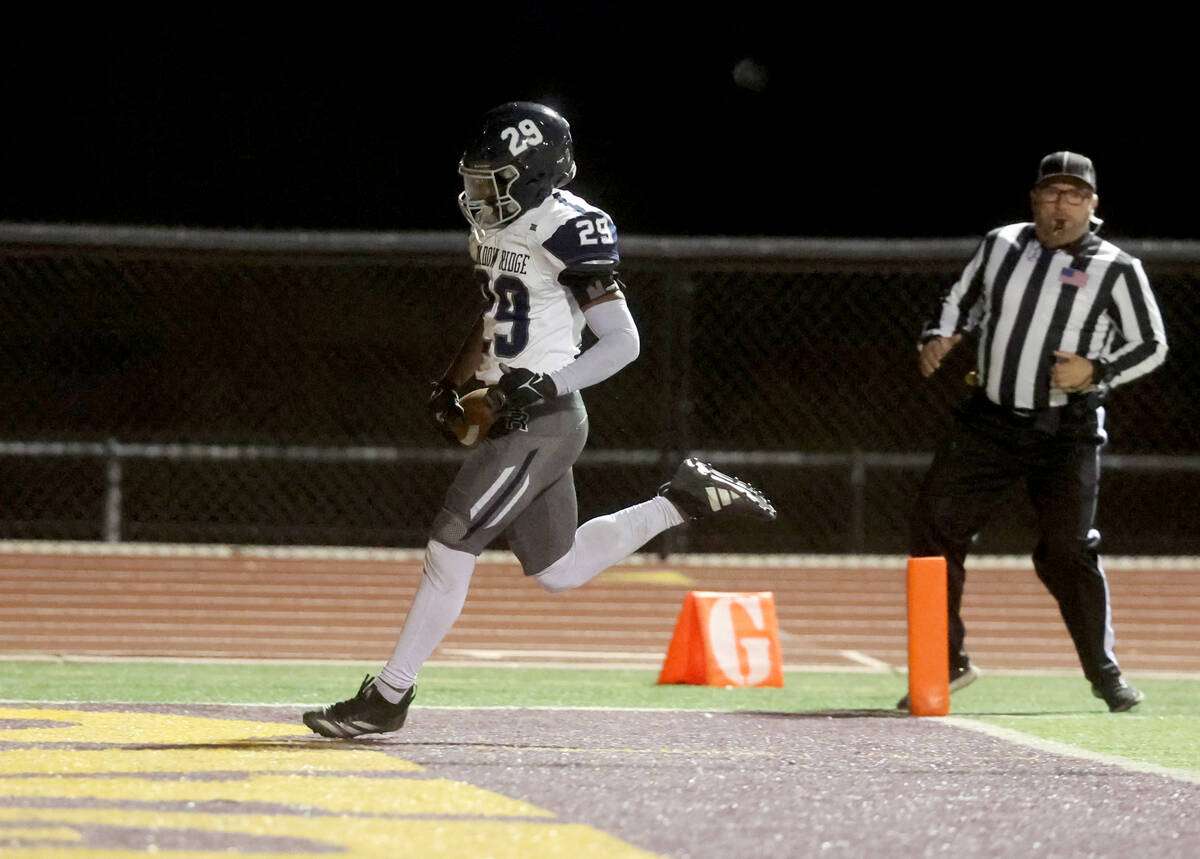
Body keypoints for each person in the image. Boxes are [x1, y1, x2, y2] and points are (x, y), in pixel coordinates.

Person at [304, 102, 777, 738]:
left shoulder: (569, 227)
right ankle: (684, 500)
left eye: (495, 179)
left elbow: (621, 342)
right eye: (478, 177)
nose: (479, 192)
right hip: (515, 408)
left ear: (534, 175)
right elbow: (496, 314)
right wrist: (456, 377)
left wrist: (540, 384)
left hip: (543, 416)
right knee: (560, 570)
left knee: (450, 542)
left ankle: (389, 694)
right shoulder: (494, 230)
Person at [906, 151, 1167, 713]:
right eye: (1052, 193)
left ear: (1092, 204)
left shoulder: (1116, 267)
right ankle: (944, 662)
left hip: (1065, 428)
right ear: (1034, 199)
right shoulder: (1001, 244)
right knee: (932, 530)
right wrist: (942, 333)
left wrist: (1096, 371)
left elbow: (1151, 343)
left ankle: (1105, 673)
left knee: (1067, 552)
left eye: (1074, 195)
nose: (1061, 205)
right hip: (989, 419)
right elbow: (964, 298)